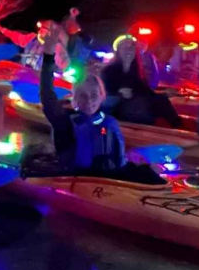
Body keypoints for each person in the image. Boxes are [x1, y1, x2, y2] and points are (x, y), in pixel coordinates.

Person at [35, 30, 162, 182]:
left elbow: (120, 164)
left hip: (112, 180)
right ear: (74, 99)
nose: (89, 101)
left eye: (94, 95)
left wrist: (146, 169)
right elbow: (47, 95)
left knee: (150, 173)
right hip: (80, 181)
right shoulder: (63, 122)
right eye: (82, 95)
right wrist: (49, 57)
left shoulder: (109, 122)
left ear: (102, 97)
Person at [101, 34, 184, 127]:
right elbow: (103, 97)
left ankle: (179, 127)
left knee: (161, 100)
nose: (128, 50)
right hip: (118, 110)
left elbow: (146, 92)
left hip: (136, 106)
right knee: (139, 107)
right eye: (124, 47)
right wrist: (119, 94)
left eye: (131, 47)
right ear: (118, 51)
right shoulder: (108, 71)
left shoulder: (136, 71)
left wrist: (165, 94)